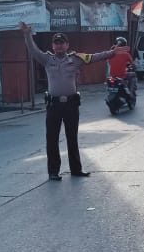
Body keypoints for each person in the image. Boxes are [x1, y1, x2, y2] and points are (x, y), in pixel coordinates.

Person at [20, 23, 116, 181]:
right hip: (53, 105)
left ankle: (76, 169)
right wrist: (27, 34)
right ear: (53, 45)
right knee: (52, 139)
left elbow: (94, 57)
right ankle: (53, 172)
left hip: (71, 105)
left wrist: (112, 53)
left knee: (72, 138)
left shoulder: (75, 59)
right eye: (56, 43)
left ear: (67, 45)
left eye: (61, 43)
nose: (59, 46)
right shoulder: (46, 59)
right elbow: (32, 50)